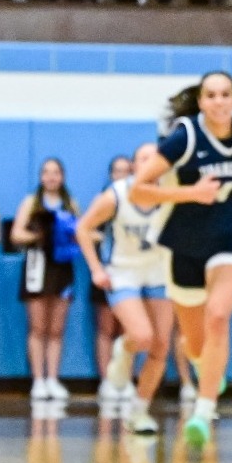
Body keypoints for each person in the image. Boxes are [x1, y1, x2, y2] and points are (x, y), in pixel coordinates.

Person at [133, 71, 232, 446]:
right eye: (211, 95)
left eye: (225, 94)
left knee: (218, 315)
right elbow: (139, 190)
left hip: (230, 241)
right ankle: (202, 362)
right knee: (195, 344)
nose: (218, 101)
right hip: (184, 246)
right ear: (201, 102)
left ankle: (202, 410)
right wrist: (191, 193)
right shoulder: (184, 137)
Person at [79, 142, 173, 435]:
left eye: (153, 158)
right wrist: (96, 268)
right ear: (133, 165)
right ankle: (123, 349)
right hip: (123, 272)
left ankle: (139, 411)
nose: (148, 162)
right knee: (141, 336)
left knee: (160, 345)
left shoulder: (172, 192)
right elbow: (83, 228)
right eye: (142, 158)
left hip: (159, 272)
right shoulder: (116, 194)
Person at [12, 157, 79, 402]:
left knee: (57, 328)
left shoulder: (70, 203)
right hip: (37, 267)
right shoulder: (32, 202)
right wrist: (40, 235)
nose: (51, 177)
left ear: (62, 176)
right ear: (41, 177)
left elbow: (80, 232)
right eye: (47, 172)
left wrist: (68, 235)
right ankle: (38, 380)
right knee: (38, 327)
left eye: (56, 172)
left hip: (62, 267)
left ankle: (53, 378)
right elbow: (16, 233)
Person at [91, 154, 133, 404]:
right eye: (118, 171)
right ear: (111, 175)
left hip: (133, 272)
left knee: (130, 330)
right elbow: (88, 230)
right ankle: (107, 380)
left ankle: (124, 379)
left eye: (127, 170)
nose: (123, 175)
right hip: (108, 269)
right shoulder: (104, 199)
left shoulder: (141, 198)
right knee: (106, 328)